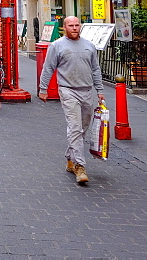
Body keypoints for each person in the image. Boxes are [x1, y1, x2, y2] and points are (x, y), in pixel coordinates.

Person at [38, 16, 105, 186]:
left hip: (87, 90)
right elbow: (48, 67)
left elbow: (95, 69)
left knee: (83, 128)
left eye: (77, 25)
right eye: (71, 25)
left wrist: (100, 91)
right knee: (75, 127)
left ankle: (70, 157)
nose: (74, 28)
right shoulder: (57, 46)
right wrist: (43, 88)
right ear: (64, 27)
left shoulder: (89, 46)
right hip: (68, 91)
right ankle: (80, 166)